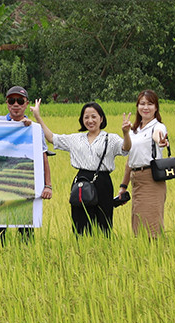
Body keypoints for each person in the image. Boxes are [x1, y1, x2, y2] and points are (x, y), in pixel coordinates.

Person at [32, 101, 130, 235]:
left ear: (101, 118)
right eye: (86, 117)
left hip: (103, 182)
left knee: (104, 224)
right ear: (82, 120)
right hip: (81, 182)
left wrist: (126, 133)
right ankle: (82, 251)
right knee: (80, 225)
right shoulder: (76, 139)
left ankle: (103, 251)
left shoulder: (110, 138)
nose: (90, 120)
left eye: (94, 117)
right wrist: (38, 117)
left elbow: (126, 147)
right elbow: (51, 138)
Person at [0, 86, 52, 238]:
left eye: (20, 101)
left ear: (26, 103)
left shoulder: (34, 129)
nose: (15, 104)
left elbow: (43, 157)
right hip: (0, 185)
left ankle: (25, 256)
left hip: (24, 184)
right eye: (12, 101)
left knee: (26, 229)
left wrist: (48, 185)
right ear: (7, 103)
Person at [118, 90, 170, 238]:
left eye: (150, 104)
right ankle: (143, 256)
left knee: (152, 224)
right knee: (138, 223)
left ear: (156, 107)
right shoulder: (134, 130)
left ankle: (157, 256)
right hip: (136, 179)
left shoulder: (158, 126)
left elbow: (158, 135)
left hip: (151, 178)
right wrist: (123, 186)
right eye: (142, 104)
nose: (145, 107)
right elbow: (130, 159)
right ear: (137, 107)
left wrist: (160, 140)